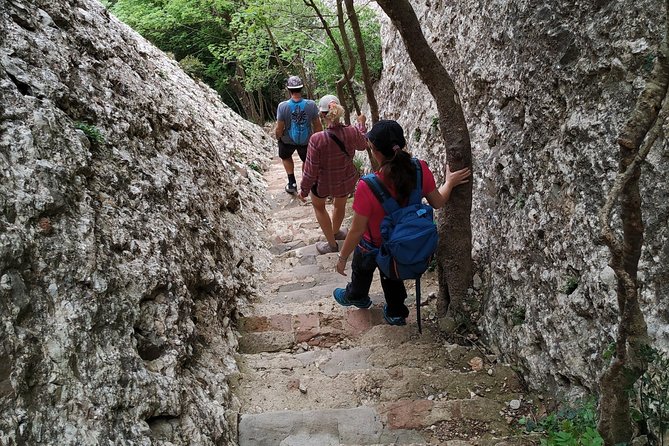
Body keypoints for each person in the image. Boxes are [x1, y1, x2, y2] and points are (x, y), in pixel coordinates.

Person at [333, 120, 471, 325]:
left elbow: (356, 230)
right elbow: (438, 202)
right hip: (401, 244)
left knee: (361, 270)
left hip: (372, 244)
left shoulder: (367, 186)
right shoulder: (419, 169)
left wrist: (343, 256)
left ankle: (357, 296)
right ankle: (396, 313)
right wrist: (449, 182)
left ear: (376, 152)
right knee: (392, 277)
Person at [296, 95, 368, 254]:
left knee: (319, 207)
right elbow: (363, 145)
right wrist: (361, 123)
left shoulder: (317, 139)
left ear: (322, 115)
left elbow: (310, 170)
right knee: (339, 205)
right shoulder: (352, 131)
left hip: (322, 183)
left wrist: (304, 190)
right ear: (340, 112)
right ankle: (335, 232)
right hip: (344, 179)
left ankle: (331, 244)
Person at [275, 76, 322, 194]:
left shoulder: (282, 106)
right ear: (302, 88)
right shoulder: (311, 105)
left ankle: (292, 183)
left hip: (287, 139)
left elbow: (279, 127)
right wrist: (318, 139)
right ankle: (305, 182)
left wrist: (278, 136)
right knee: (306, 159)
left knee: (285, 156)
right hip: (306, 139)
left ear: (288, 89)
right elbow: (317, 124)